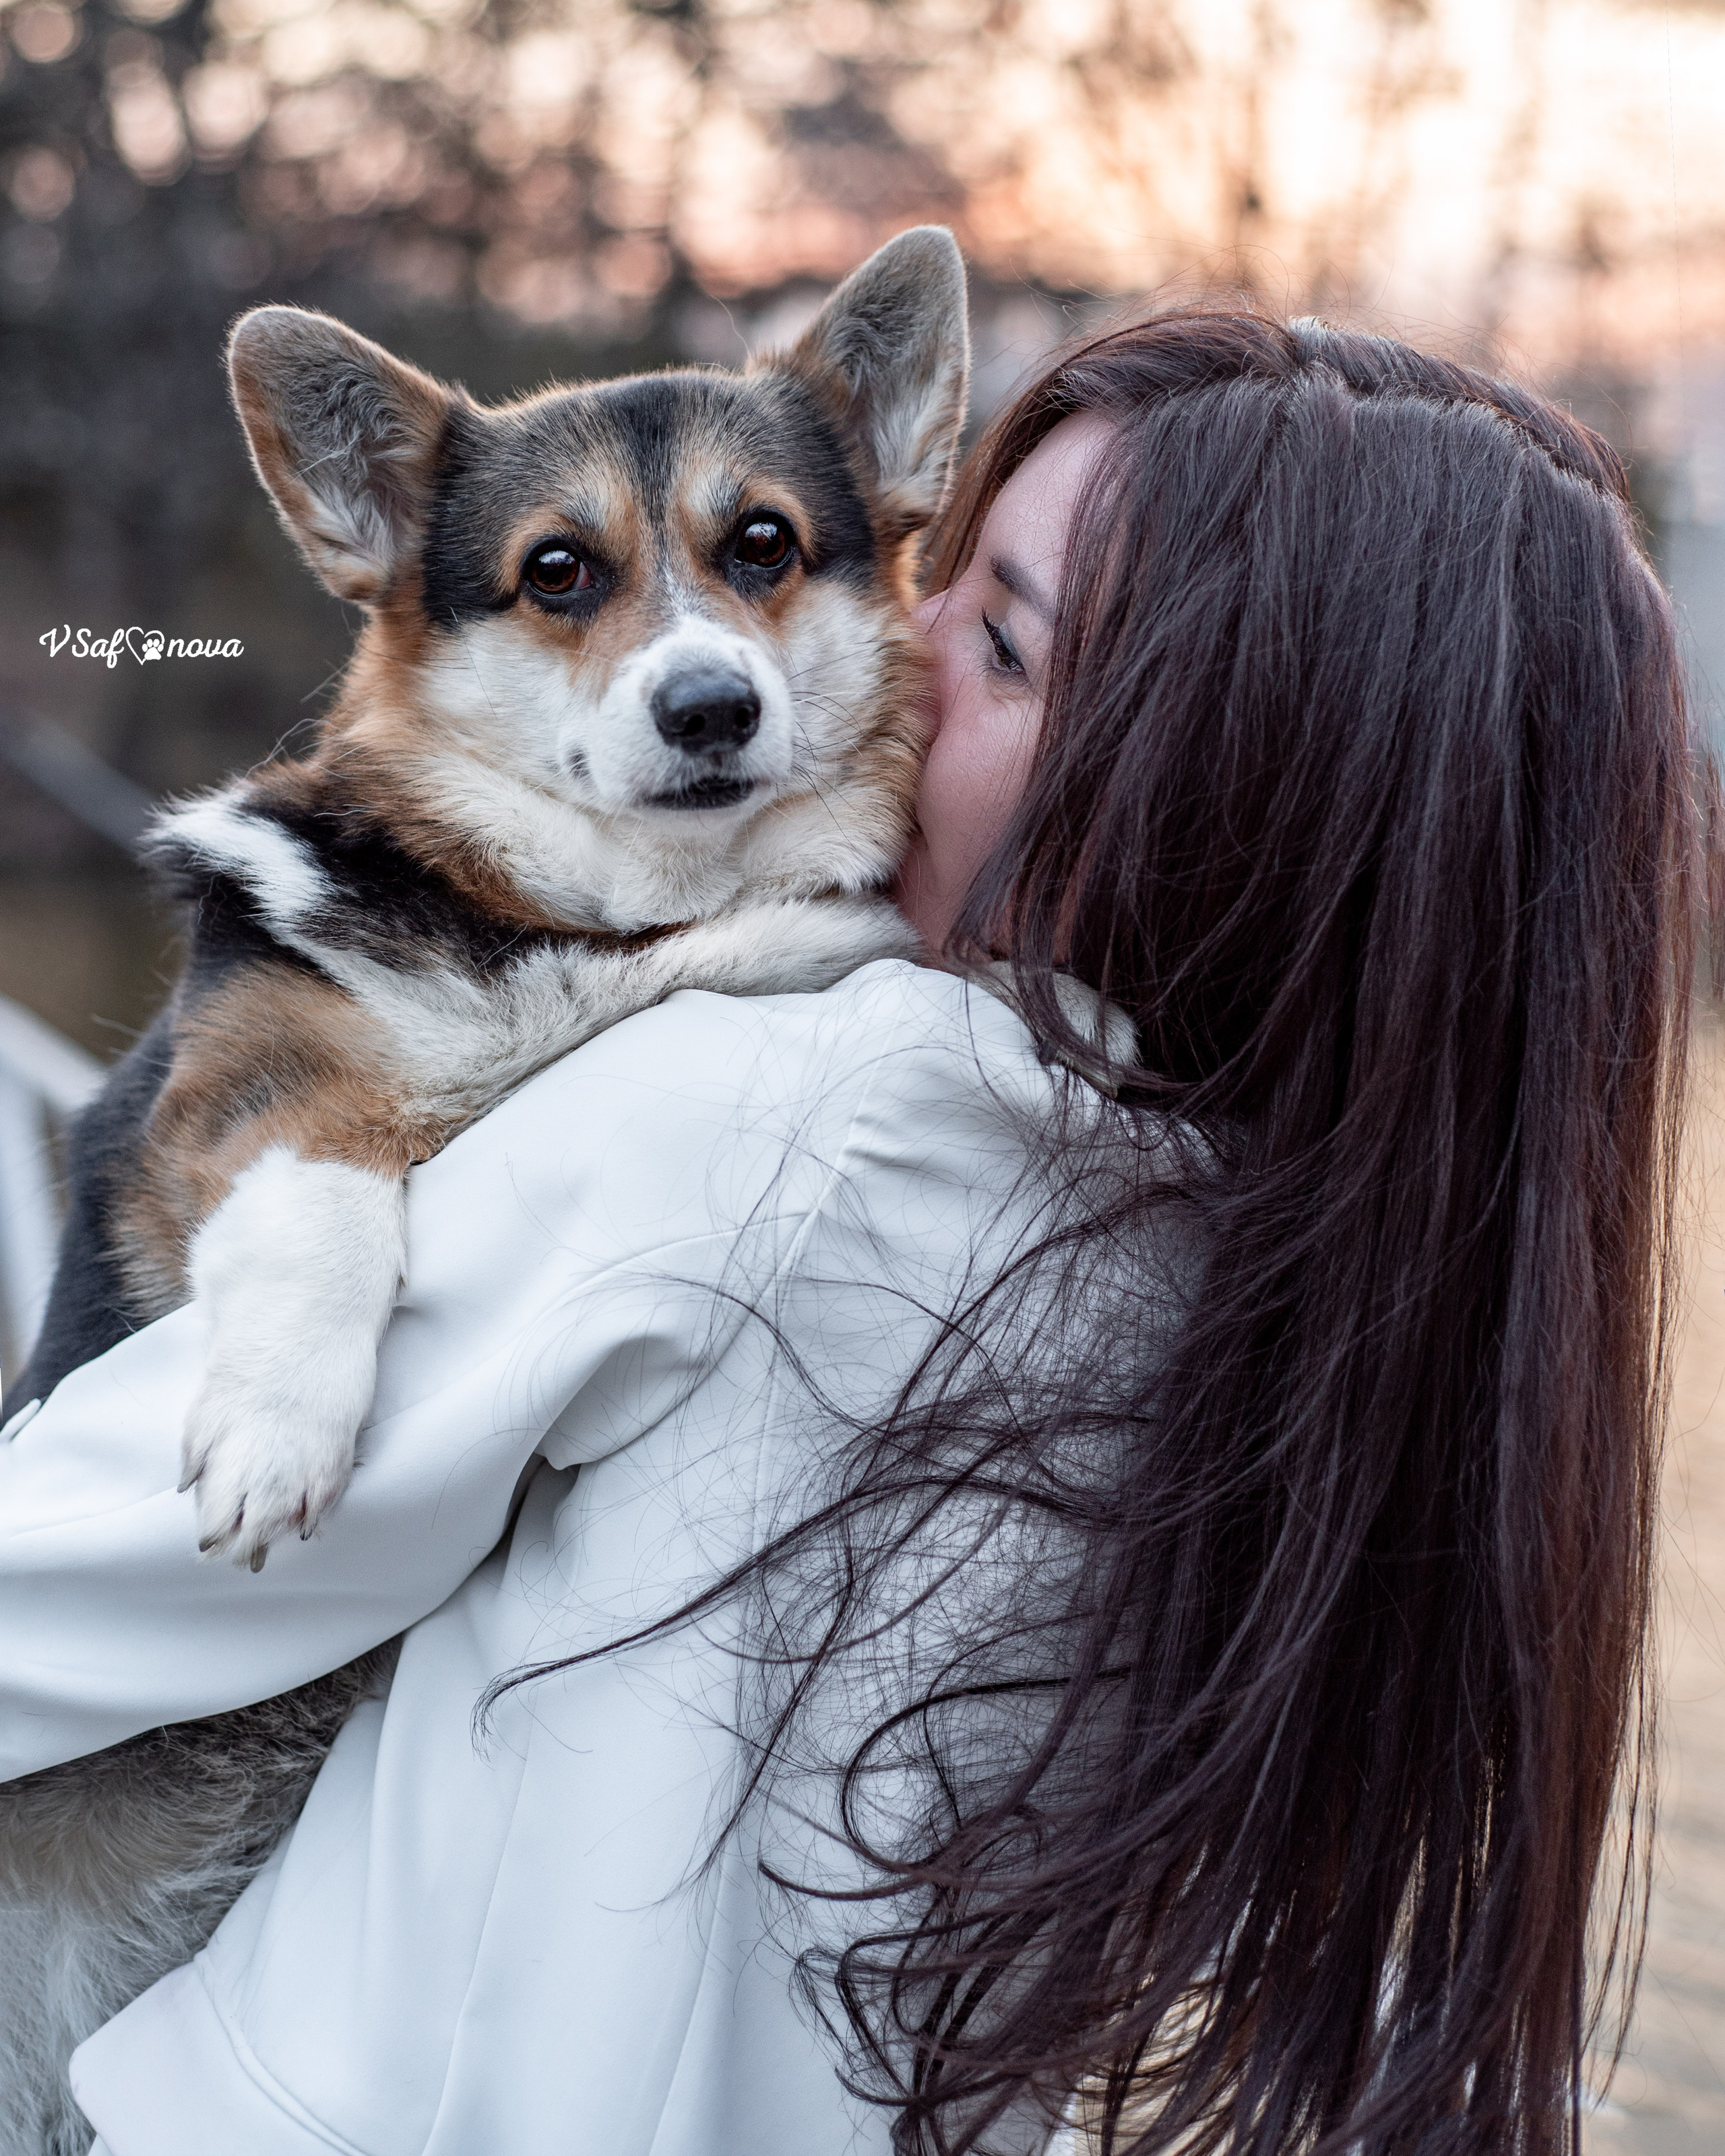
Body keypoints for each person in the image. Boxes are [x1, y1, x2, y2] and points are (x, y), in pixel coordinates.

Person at [0, 306, 1703, 2156]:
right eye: (935, 576)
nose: (881, 641)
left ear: (1214, 792)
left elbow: (75, 1585)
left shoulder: (803, 1113)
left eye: (998, 640)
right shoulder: (1307, 1270)